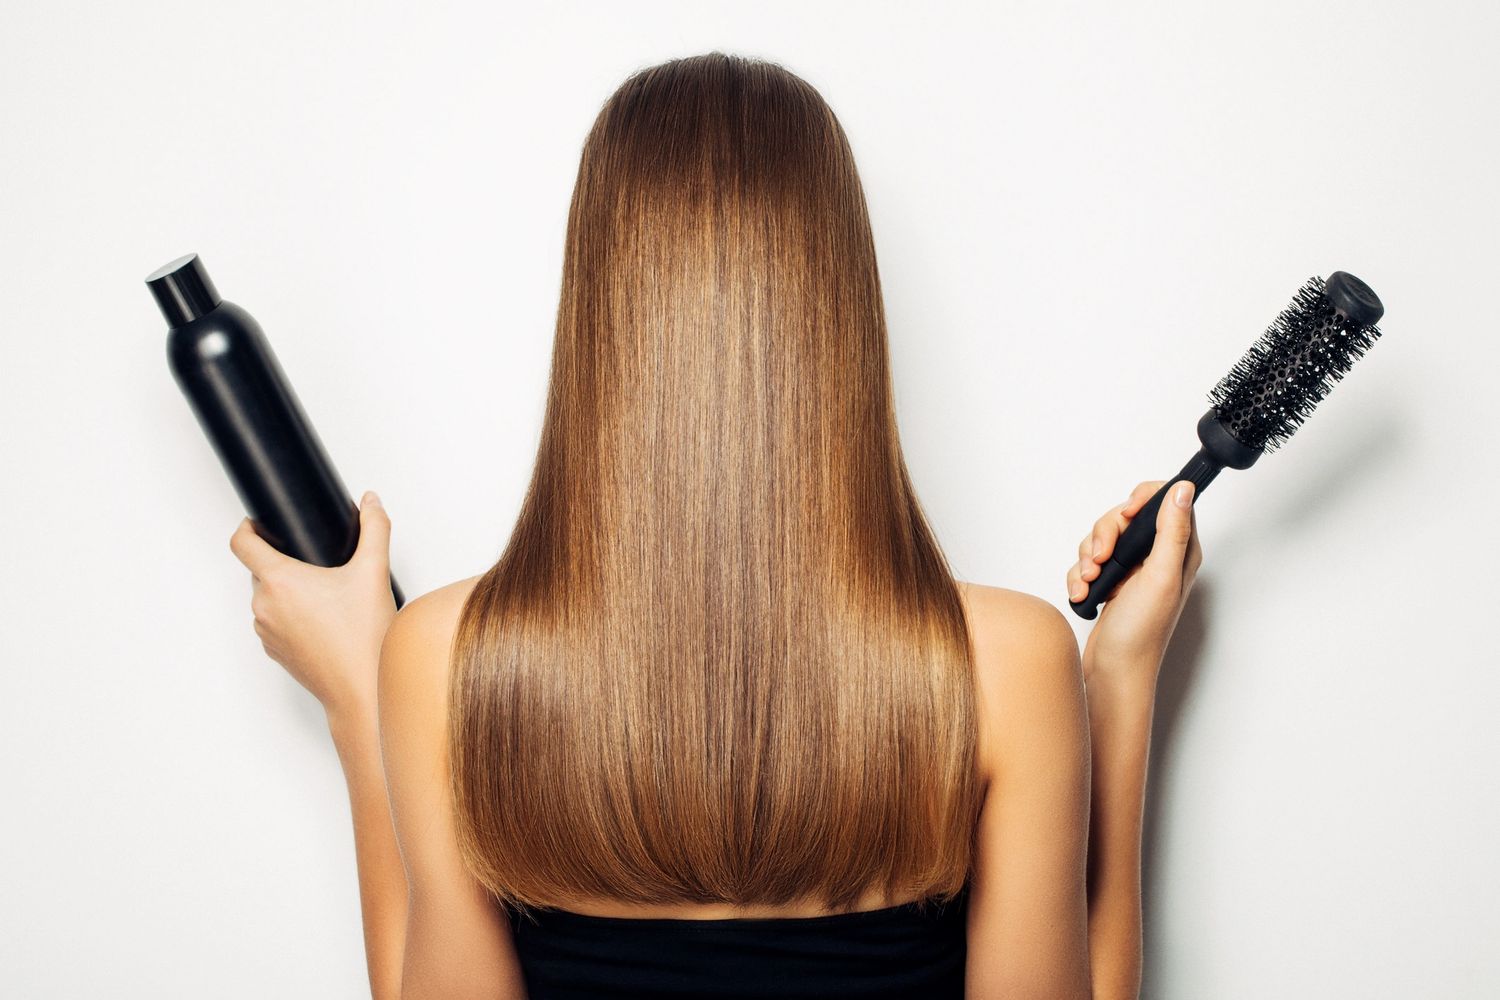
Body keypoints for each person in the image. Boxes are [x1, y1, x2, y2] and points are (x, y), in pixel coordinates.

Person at [228, 51, 1200, 1000]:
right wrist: (1117, 675)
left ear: (600, 308)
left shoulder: (446, 657)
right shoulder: (1004, 659)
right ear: (841, 303)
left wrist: (364, 692)